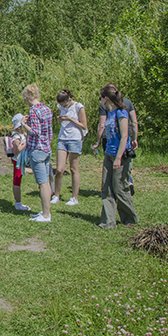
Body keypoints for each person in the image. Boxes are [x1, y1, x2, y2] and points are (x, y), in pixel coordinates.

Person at [95, 84, 138, 229]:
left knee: (119, 188)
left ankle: (129, 218)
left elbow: (125, 136)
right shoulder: (109, 112)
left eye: (101, 98)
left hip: (121, 156)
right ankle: (108, 222)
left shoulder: (121, 112)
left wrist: (119, 157)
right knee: (106, 188)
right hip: (108, 154)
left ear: (106, 98)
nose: (100, 100)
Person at [20, 83, 53, 223]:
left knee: (43, 183)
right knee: (46, 181)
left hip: (37, 150)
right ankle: (46, 211)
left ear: (27, 98)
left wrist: (24, 124)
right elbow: (49, 132)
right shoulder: (47, 109)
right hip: (47, 148)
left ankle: (46, 215)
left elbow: (35, 132)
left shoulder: (34, 110)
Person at [52, 89, 88, 206]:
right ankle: (56, 195)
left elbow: (84, 125)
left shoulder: (78, 107)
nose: (63, 107)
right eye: (61, 105)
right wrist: (60, 119)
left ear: (70, 99)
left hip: (75, 139)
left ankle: (74, 197)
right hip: (62, 138)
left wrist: (70, 119)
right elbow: (60, 123)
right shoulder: (61, 106)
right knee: (59, 169)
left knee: (73, 169)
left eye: (64, 105)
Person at [10, 113, 31, 211]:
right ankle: (18, 203)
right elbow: (16, 150)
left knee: (19, 178)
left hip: (21, 160)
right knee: (17, 180)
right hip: (17, 160)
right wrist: (25, 144)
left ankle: (18, 202)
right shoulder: (16, 136)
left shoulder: (22, 134)